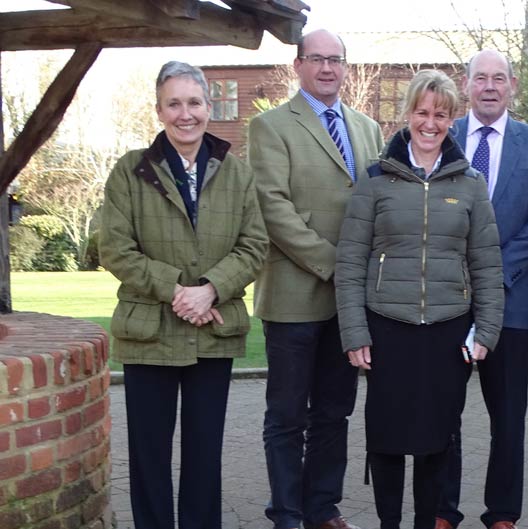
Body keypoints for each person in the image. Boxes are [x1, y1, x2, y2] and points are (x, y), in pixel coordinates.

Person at [99, 60, 268, 529]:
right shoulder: (130, 170)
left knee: (203, 454)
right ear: (158, 111)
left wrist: (211, 289)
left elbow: (255, 245)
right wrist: (176, 290)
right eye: (174, 103)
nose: (185, 113)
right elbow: (114, 247)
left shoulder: (238, 174)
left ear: (209, 108)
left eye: (194, 102)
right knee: (148, 456)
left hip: (212, 334)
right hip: (148, 337)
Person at [335, 69, 504, 529]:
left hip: (449, 331)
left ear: (453, 119)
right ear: (409, 114)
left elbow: (487, 264)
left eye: (442, 115)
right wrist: (354, 332)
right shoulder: (374, 181)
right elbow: (350, 263)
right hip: (387, 328)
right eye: (423, 112)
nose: (431, 123)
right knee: (388, 441)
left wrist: (485, 331)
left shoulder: (470, 185)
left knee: (437, 442)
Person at [248, 29, 384, 529]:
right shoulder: (271, 127)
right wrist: (335, 264)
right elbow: (274, 208)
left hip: (347, 305)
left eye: (336, 60)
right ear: (299, 65)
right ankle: (286, 513)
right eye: (317, 59)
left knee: (334, 412)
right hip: (293, 297)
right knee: (286, 418)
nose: (327, 68)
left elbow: (378, 204)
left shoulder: (368, 129)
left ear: (346, 67)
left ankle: (322, 509)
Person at [436, 49, 528, 529]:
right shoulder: (441, 137)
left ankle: (503, 513)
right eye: (480, 78)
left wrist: (494, 270)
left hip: (511, 299)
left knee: (508, 417)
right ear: (465, 85)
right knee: (444, 411)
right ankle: (443, 509)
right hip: (447, 298)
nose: (490, 86)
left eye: (499, 78)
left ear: (512, 86)